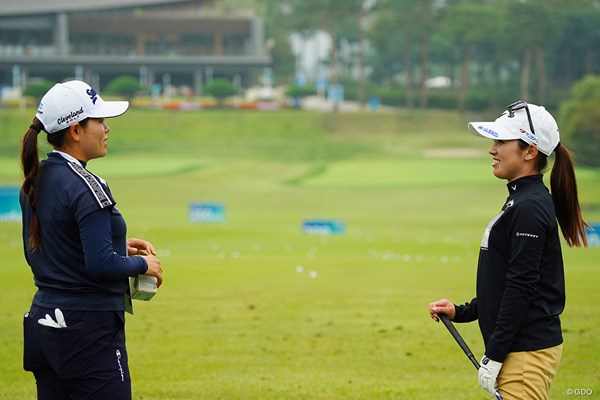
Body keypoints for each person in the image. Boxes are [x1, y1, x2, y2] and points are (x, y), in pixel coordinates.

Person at [429, 101, 589, 399]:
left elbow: (521, 287)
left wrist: (495, 354)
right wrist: (462, 311)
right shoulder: (520, 201)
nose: (492, 149)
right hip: (519, 349)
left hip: (525, 352)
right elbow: (505, 283)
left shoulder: (530, 207)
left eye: (501, 141)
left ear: (530, 151)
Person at [19, 80, 163, 399]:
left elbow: (46, 247)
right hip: (87, 333)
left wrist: (114, 244)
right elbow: (101, 265)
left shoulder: (34, 179)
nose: (106, 129)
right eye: (99, 121)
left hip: (44, 322)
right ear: (75, 130)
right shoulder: (87, 185)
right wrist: (144, 263)